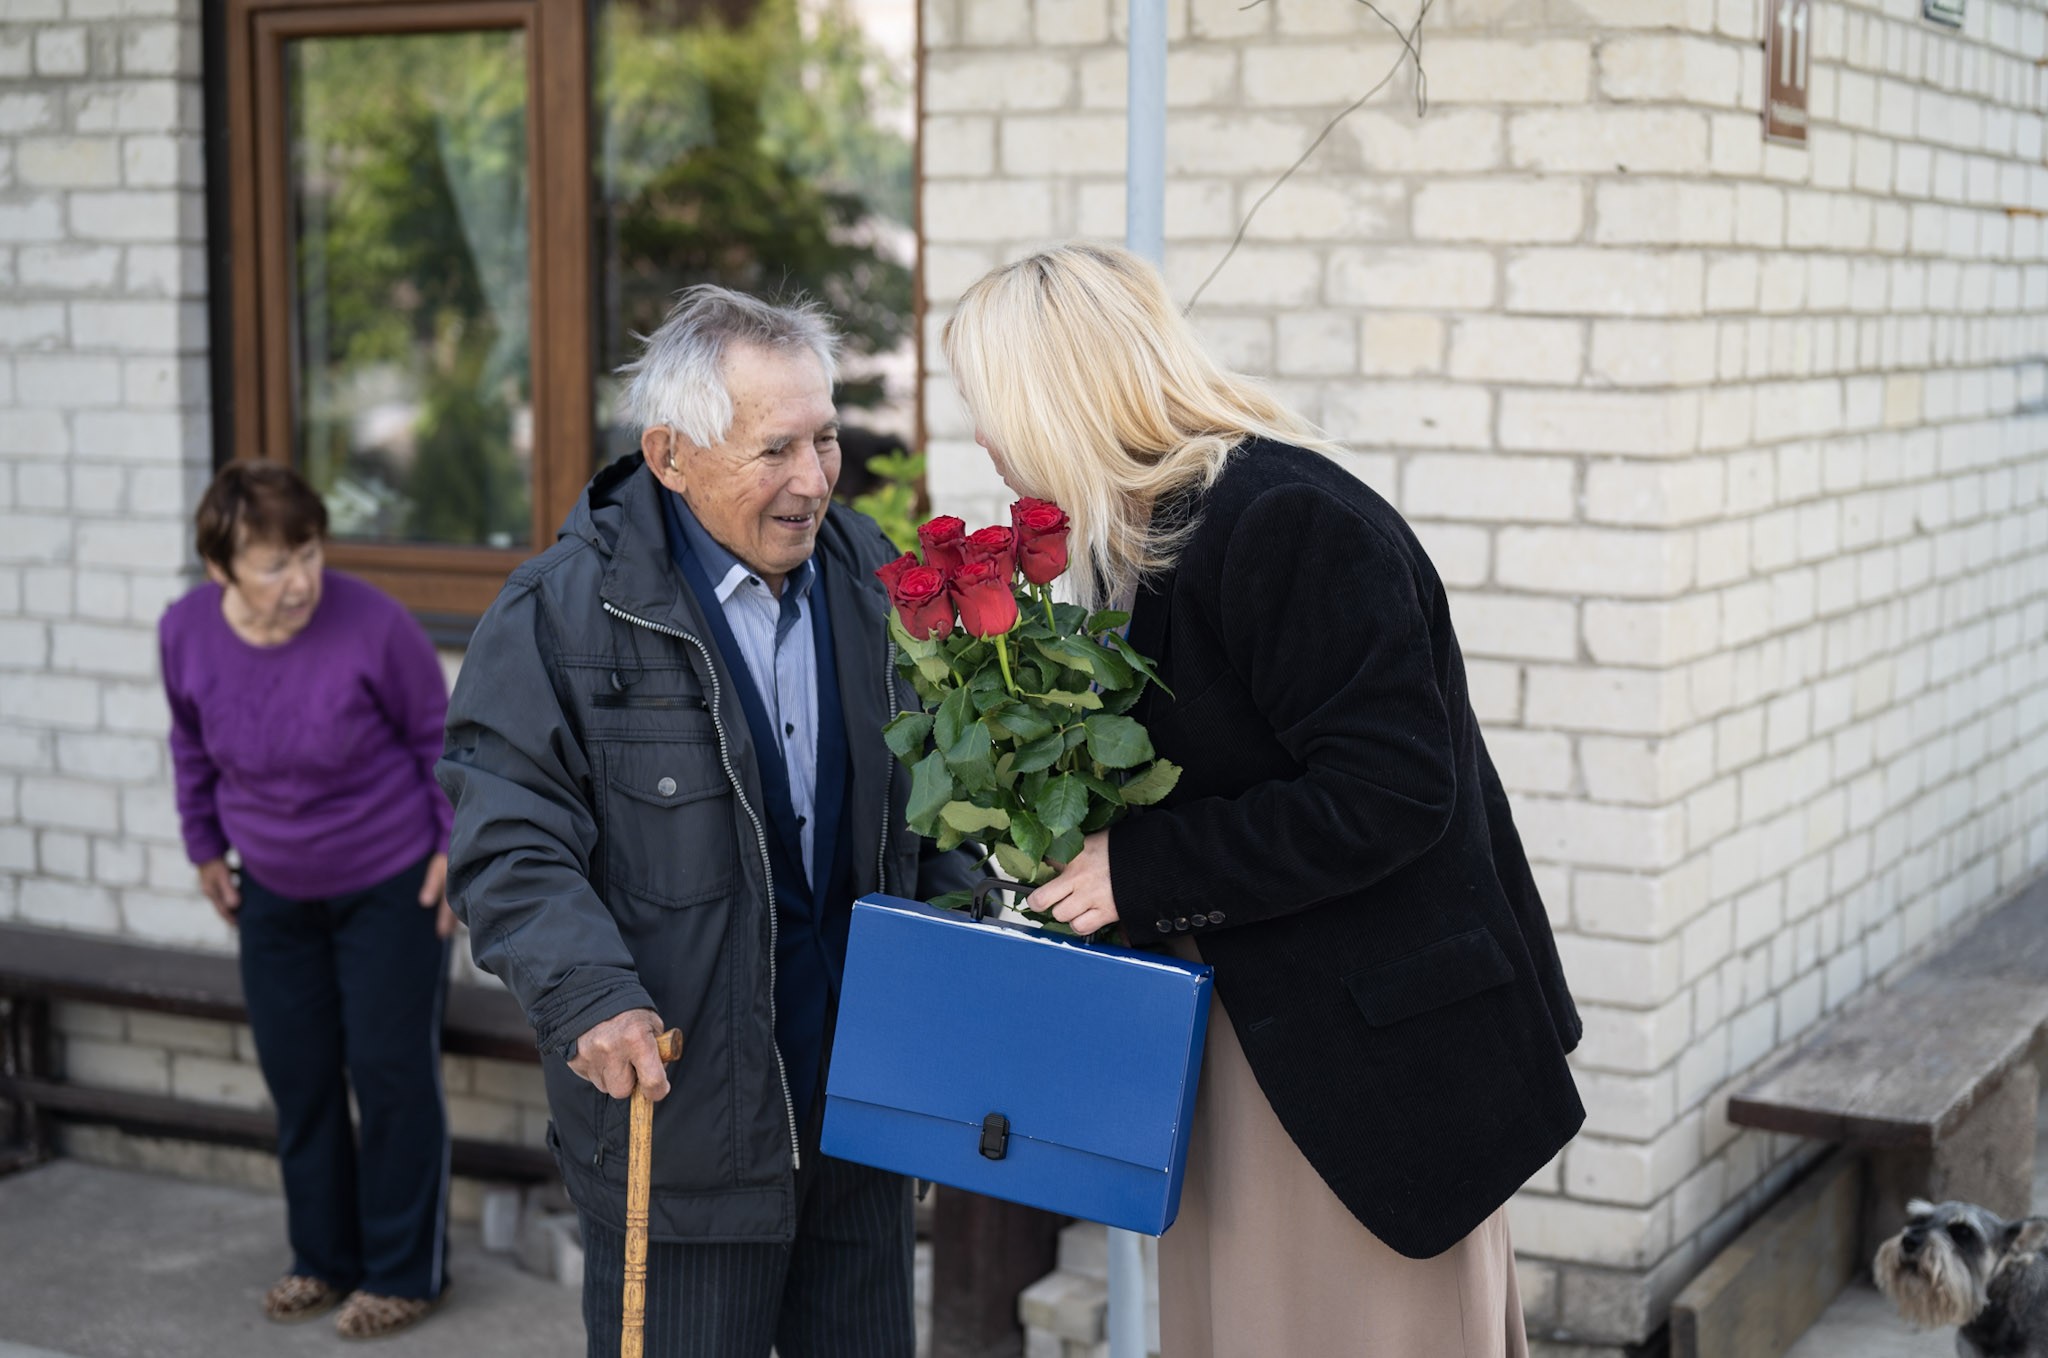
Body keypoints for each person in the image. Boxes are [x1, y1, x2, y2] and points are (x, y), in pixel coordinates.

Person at [942, 244, 1587, 1358]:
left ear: (1053, 397)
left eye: (989, 408)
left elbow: (1388, 791)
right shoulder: (1165, 531)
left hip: (1360, 1076)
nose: (986, 442)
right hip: (1261, 1049)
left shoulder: (1284, 521)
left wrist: (1137, 872)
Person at [438, 286, 975, 1358]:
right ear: (671, 455)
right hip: (680, 1127)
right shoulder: (561, 612)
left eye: (824, 439)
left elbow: (935, 803)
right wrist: (590, 994)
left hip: (857, 1115)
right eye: (774, 449)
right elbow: (509, 837)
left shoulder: (871, 575)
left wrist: (961, 941)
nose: (813, 479)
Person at [159, 461, 455, 1341]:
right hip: (274, 891)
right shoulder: (185, 633)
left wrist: (452, 847)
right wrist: (202, 842)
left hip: (391, 883)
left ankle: (405, 1271)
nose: (300, 581)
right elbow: (189, 744)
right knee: (301, 1077)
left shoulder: (375, 624)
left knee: (391, 1074)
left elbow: (441, 740)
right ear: (221, 570)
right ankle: (321, 1258)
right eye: (274, 565)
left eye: (310, 553)